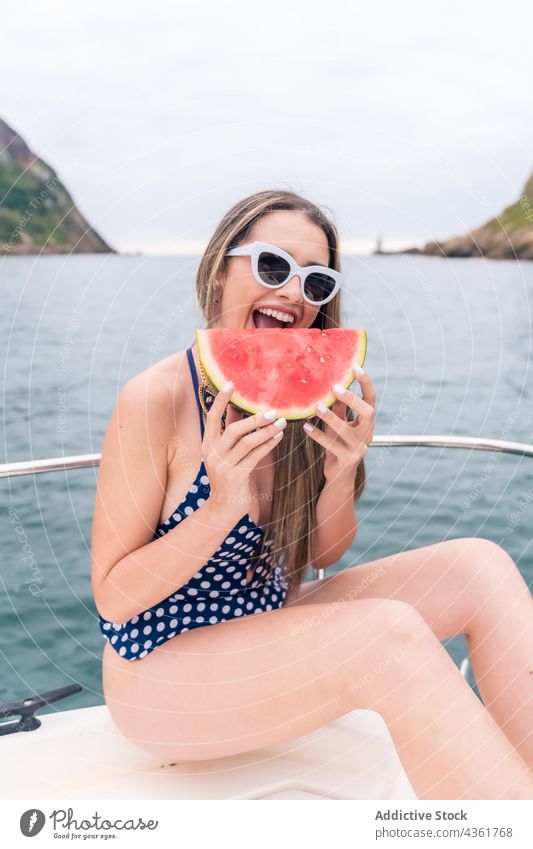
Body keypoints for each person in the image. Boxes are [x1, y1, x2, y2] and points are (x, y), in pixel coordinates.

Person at [91, 189, 533, 800]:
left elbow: (326, 548)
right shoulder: (154, 400)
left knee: (479, 568)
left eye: (317, 282)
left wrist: (340, 475)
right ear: (222, 270)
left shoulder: (320, 396)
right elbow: (114, 598)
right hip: (161, 673)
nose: (295, 294)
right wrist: (219, 508)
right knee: (389, 632)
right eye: (273, 266)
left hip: (264, 626)